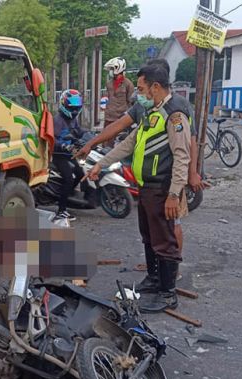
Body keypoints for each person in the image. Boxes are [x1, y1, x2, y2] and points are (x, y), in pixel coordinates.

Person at [77, 58, 202, 290]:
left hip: (162, 187)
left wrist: (175, 194)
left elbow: (183, 154)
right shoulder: (149, 110)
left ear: (155, 87)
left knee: (165, 240)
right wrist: (100, 164)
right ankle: (154, 281)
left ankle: (166, 291)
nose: (139, 94)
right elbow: (128, 143)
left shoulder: (175, 113)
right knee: (150, 237)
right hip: (146, 187)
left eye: (142, 88)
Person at [52, 89, 87, 222]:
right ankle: (61, 210)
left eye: (77, 102)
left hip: (69, 153)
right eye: (72, 102)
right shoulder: (57, 120)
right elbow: (52, 139)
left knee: (80, 174)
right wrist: (62, 145)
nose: (74, 106)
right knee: (69, 179)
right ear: (64, 103)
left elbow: (78, 132)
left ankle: (66, 196)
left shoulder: (73, 120)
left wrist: (91, 136)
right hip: (58, 154)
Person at [103, 57, 134, 147]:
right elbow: (107, 98)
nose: (111, 71)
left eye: (112, 69)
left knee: (119, 143)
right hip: (108, 117)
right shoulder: (109, 83)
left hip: (120, 118)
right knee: (106, 143)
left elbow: (131, 101)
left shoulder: (128, 84)